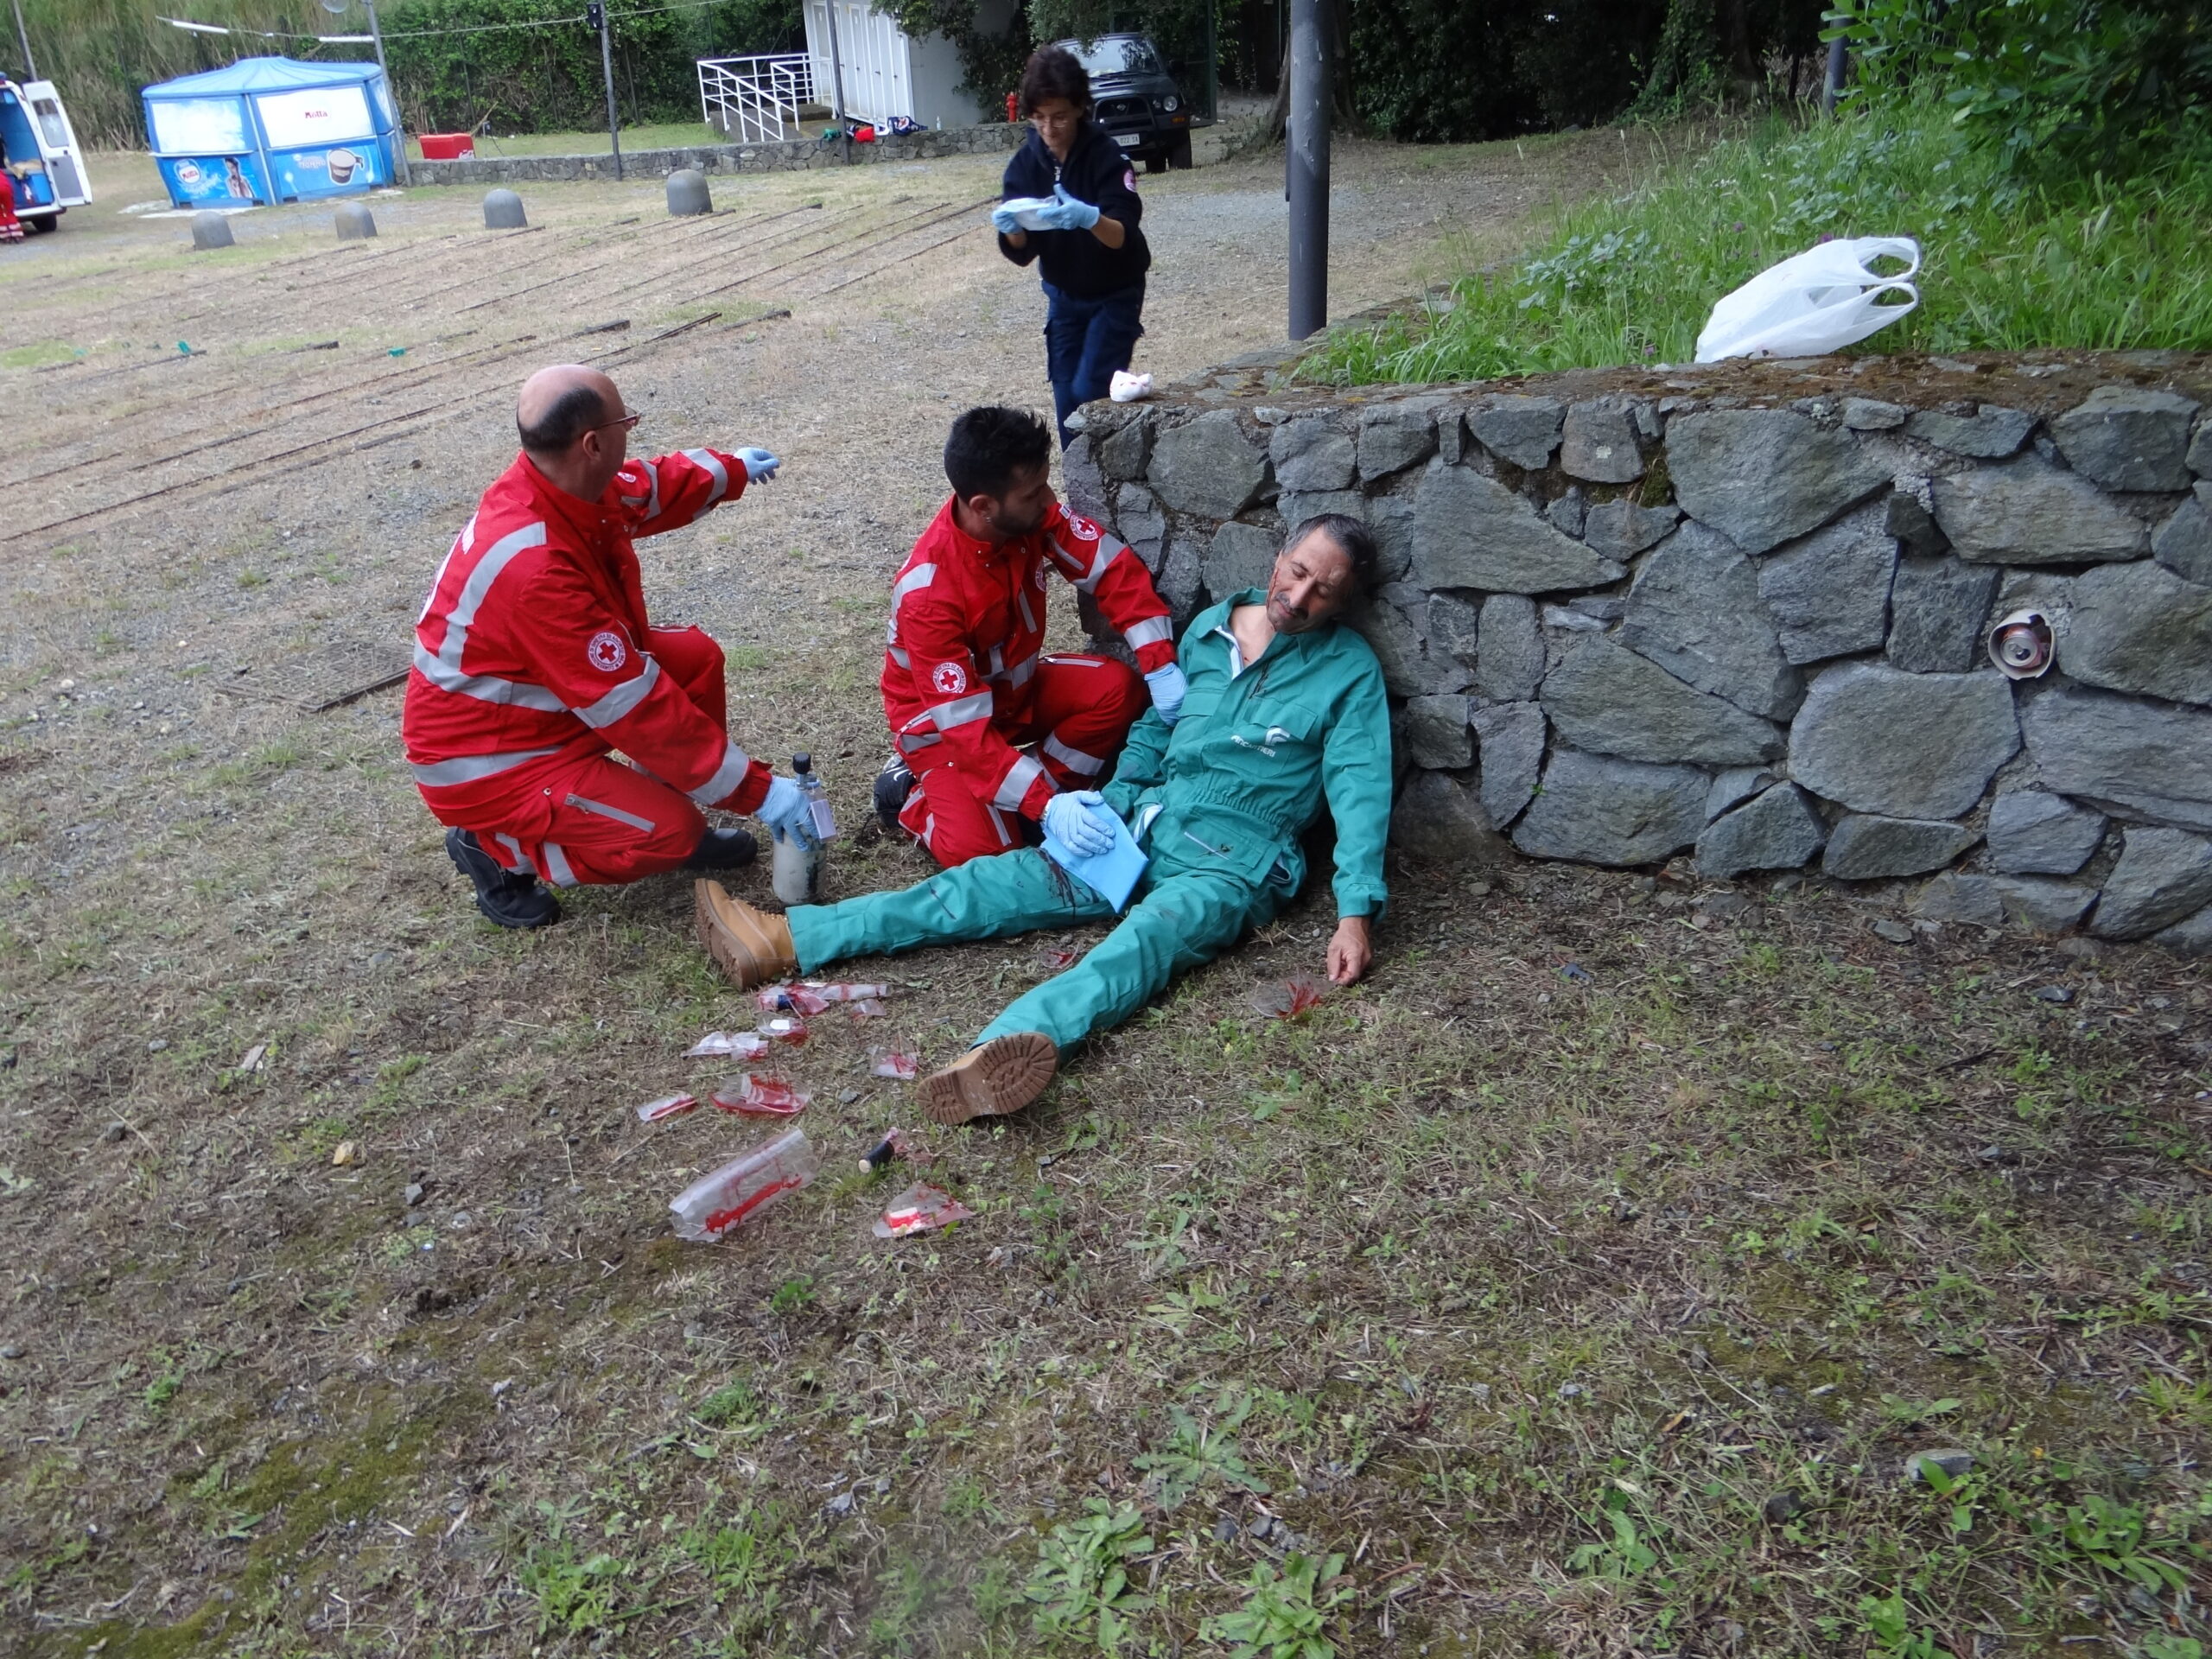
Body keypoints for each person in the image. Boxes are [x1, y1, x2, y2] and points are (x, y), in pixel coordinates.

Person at [699, 514, 1392, 1124]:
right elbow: (1158, 728)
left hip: (1234, 862)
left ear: (1342, 602)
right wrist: (1112, 799)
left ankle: (1000, 1053)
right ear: (1279, 558)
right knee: (987, 886)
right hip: (1145, 824)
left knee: (1145, 943)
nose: (1299, 598)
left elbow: (1361, 786)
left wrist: (1355, 912)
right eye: (1298, 573)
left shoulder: (1347, 671)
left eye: (1323, 592)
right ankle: (789, 937)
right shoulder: (1209, 631)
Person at [404, 364, 811, 928]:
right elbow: (634, 708)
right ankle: (496, 849)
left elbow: (642, 487)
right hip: (489, 759)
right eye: (626, 421)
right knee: (671, 832)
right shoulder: (535, 569)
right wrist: (760, 792)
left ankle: (655, 808)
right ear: (593, 443)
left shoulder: (555, 485)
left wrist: (730, 470)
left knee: (693, 661)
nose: (631, 432)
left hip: (532, 705)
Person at [872, 405, 1187, 868]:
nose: (1049, 500)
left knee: (1117, 691)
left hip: (1012, 694)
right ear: (984, 506)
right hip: (943, 726)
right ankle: (911, 797)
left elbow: (1110, 568)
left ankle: (1032, 796)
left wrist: (1159, 664)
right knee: (984, 854)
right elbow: (965, 730)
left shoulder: (1027, 516)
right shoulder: (930, 595)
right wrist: (1045, 805)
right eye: (1034, 491)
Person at [993, 45, 1150, 447]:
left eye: (1059, 115)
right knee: (1064, 395)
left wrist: (1089, 218)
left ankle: (1109, 484)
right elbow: (1023, 252)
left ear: (1080, 107)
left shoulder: (1108, 158)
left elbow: (1123, 236)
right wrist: (1011, 227)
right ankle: (1082, 497)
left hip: (1115, 293)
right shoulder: (1026, 165)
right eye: (1039, 117)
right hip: (1063, 297)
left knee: (1089, 390)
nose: (1049, 128)